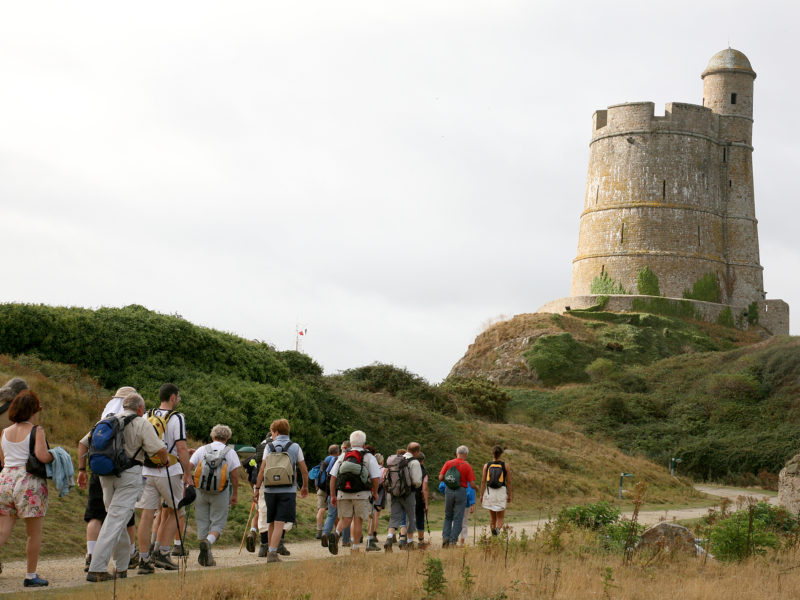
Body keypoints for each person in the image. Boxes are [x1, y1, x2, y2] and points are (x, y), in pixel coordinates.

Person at [79, 393, 168, 581]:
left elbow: (83, 443)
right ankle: (97, 568)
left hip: (105, 475)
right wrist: (164, 461)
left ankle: (121, 567)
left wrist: (81, 469)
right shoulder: (141, 423)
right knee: (115, 520)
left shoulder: (107, 420)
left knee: (117, 517)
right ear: (141, 409)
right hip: (129, 475)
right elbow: (159, 449)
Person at [77, 386, 139, 572]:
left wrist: (81, 469)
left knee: (95, 514)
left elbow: (82, 443)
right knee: (125, 517)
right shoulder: (133, 423)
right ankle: (130, 555)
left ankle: (91, 554)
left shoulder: (102, 423)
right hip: (122, 472)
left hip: (99, 471)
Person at [135, 383, 192, 574]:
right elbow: (182, 447)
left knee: (147, 514)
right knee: (178, 511)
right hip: (169, 470)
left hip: (147, 470)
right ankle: (163, 553)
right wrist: (187, 473)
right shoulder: (177, 418)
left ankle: (144, 558)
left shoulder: (146, 414)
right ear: (173, 397)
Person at [0, 389, 53, 587]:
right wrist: (54, 455)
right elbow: (41, 455)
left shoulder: (5, 432)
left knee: (2, 531)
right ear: (32, 410)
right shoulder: (36, 430)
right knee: (33, 533)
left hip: (5, 480)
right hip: (28, 482)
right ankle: (31, 575)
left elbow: (3, 460)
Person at [254, 419, 309, 563]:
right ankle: (272, 552)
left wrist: (257, 488)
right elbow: (304, 470)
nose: (272, 435)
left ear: (276, 432)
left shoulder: (269, 446)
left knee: (271, 521)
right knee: (280, 522)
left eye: (272, 432)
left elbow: (262, 469)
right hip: (287, 488)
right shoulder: (295, 446)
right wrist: (305, 486)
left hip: (270, 488)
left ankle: (271, 550)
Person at [190, 424, 240, 567]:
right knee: (218, 523)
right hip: (220, 492)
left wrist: (187, 481)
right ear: (227, 437)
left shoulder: (202, 450)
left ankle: (205, 555)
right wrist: (235, 494)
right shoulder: (230, 452)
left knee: (202, 523)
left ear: (212, 436)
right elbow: (235, 476)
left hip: (201, 491)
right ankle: (208, 543)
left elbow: (190, 466)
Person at [327, 430, 381, 555]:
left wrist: (333, 495)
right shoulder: (368, 457)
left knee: (345, 518)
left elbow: (333, 476)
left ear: (351, 442)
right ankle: (355, 549)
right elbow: (375, 478)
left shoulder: (343, 455)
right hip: (361, 493)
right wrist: (375, 492)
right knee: (358, 520)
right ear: (364, 443)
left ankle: (336, 533)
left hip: (343, 491)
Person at [384, 443, 423, 551]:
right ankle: (409, 542)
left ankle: (389, 537)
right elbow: (416, 481)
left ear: (407, 449)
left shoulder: (396, 460)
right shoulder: (414, 462)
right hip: (408, 494)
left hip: (395, 493)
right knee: (410, 517)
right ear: (417, 452)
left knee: (394, 516)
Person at [438, 445, 476, 548]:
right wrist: (477, 487)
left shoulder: (448, 463)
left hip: (449, 491)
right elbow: (471, 484)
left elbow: (440, 477)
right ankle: (452, 541)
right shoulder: (467, 466)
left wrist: (449, 480)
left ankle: (445, 538)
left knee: (448, 516)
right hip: (461, 492)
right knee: (458, 518)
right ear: (466, 455)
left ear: (456, 453)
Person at [480, 445, 512, 536]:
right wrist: (510, 495)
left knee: (493, 518)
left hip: (490, 492)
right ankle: (497, 530)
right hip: (501, 491)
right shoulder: (505, 465)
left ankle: (493, 537)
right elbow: (509, 482)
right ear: (501, 454)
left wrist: (482, 495)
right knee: (500, 518)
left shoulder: (487, 465)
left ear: (492, 453)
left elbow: (483, 481)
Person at [315, 444, 340, 539]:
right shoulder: (336, 460)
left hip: (321, 489)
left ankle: (319, 531)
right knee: (333, 512)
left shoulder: (324, 461)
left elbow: (317, 474)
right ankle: (336, 531)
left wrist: (317, 486)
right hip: (331, 489)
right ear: (337, 452)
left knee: (321, 510)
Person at [413, 451, 430, 547]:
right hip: (419, 498)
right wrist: (426, 503)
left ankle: (407, 539)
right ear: (422, 461)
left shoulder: (409, 468)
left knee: (409, 518)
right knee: (420, 518)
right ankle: (420, 541)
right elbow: (424, 488)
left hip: (408, 496)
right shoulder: (424, 472)